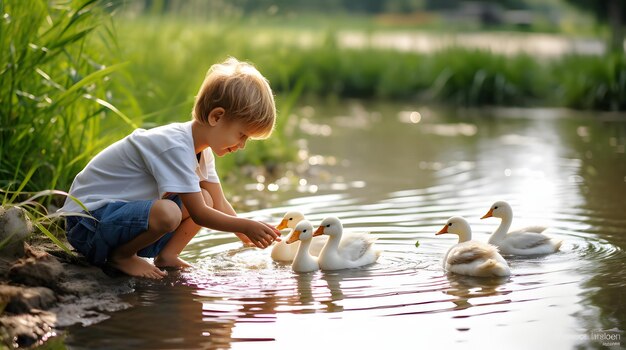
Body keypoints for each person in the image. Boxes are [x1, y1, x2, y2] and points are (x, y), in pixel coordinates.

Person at [60, 57, 281, 279]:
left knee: (206, 197)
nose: (242, 145)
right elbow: (200, 215)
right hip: (87, 223)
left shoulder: (202, 151)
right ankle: (122, 257)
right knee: (170, 212)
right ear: (217, 116)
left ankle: (167, 256)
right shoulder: (174, 146)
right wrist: (247, 225)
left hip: (116, 219)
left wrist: (245, 234)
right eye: (242, 135)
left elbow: (219, 202)